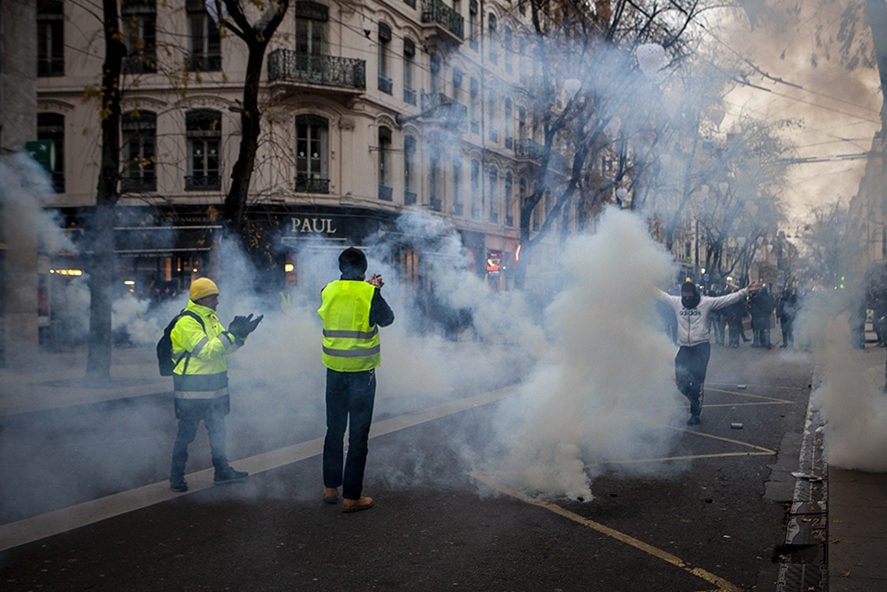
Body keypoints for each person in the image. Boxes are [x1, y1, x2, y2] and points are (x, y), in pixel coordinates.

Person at [168, 277, 263, 492]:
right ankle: (176, 476)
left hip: (215, 386)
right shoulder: (187, 322)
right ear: (201, 298)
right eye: (213, 296)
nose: (218, 300)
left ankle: (222, 471)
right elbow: (206, 351)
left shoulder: (211, 318)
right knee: (186, 435)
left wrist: (241, 336)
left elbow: (224, 349)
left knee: (218, 432)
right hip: (192, 389)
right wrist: (231, 334)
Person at [318, 247, 395, 512]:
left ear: (341, 268)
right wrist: (375, 291)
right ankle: (352, 496)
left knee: (334, 431)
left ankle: (330, 488)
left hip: (334, 371)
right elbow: (387, 320)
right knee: (358, 436)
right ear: (363, 269)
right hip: (362, 373)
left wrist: (369, 290)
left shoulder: (327, 290)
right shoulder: (368, 293)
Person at [657, 279, 762, 425]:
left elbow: (726, 299)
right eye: (684, 297)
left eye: (689, 297)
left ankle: (695, 413)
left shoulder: (705, 303)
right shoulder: (677, 302)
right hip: (684, 348)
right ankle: (695, 398)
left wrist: (745, 291)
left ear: (694, 294)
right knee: (681, 383)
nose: (686, 299)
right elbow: (661, 295)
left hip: (701, 347)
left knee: (697, 381)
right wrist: (642, 281)